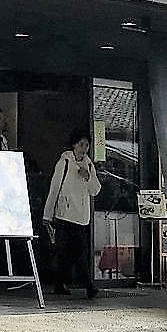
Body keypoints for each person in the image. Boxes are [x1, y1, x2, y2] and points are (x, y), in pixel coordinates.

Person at [43, 127, 103, 298]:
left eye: (87, 145)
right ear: (74, 145)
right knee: (78, 251)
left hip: (82, 217)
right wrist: (47, 215)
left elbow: (96, 190)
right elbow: (54, 188)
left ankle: (59, 282)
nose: (84, 149)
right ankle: (89, 285)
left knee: (70, 253)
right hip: (65, 215)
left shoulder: (89, 164)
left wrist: (88, 177)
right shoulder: (65, 162)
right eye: (81, 144)